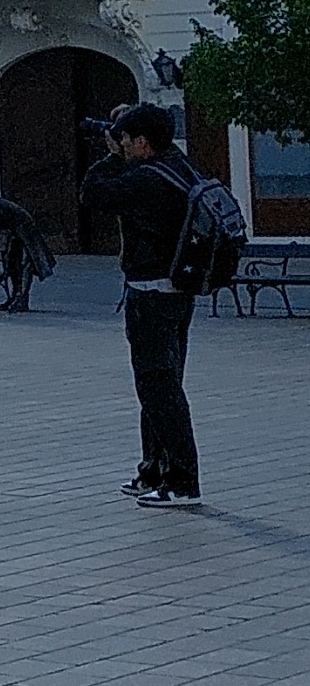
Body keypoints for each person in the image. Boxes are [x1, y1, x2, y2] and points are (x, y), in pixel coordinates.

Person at [84, 102, 204, 508]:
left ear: (141, 142)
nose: (120, 144)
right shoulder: (181, 166)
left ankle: (183, 481)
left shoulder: (145, 180)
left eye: (125, 139)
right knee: (162, 384)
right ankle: (153, 470)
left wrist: (109, 157)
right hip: (179, 290)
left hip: (152, 293)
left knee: (158, 386)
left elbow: (93, 196)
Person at [0, 170, 56, 312]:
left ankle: (21, 298)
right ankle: (15, 297)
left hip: (26, 235)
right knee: (11, 264)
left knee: (24, 265)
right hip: (14, 236)